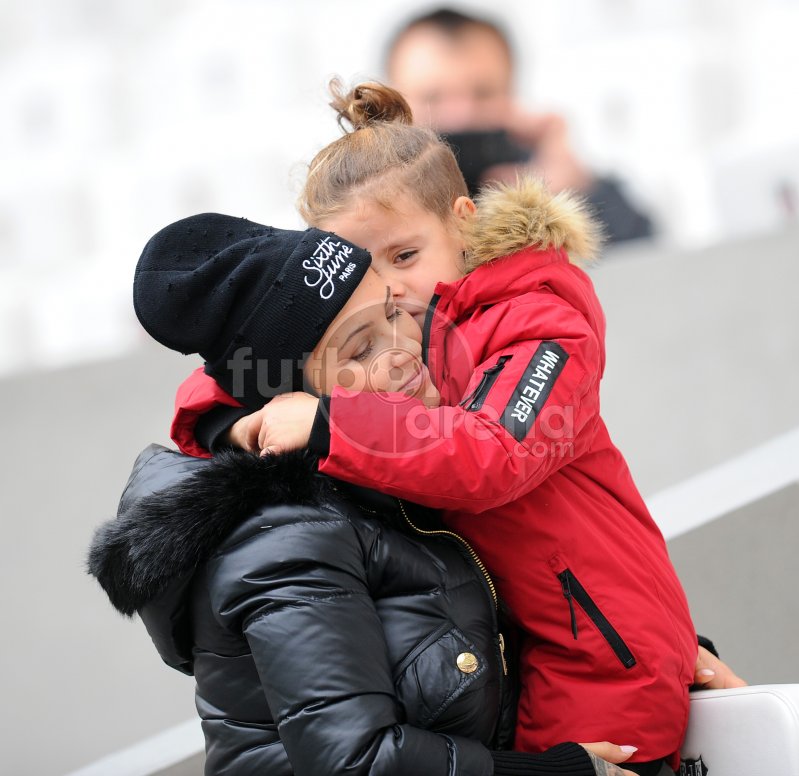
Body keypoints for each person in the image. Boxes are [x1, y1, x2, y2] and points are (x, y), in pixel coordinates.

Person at [167, 84, 745, 775]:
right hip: (521, 651)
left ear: (463, 223)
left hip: (604, 659)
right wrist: (229, 416)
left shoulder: (536, 319)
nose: (392, 288)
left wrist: (325, 425)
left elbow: (491, 454)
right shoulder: (402, 335)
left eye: (404, 256)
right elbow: (267, 350)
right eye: (363, 268)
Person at [88, 214, 641, 776]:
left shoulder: (389, 472)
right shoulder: (284, 535)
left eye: (396, 312)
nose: (403, 352)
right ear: (291, 398)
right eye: (359, 351)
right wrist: (563, 773)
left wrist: (656, 652)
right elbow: (355, 763)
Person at [384, 7, 653, 245]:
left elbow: (644, 261)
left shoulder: (541, 176)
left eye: (483, 93)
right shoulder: (364, 192)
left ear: (512, 92)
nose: (461, 116)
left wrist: (577, 197)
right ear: (390, 104)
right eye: (432, 98)